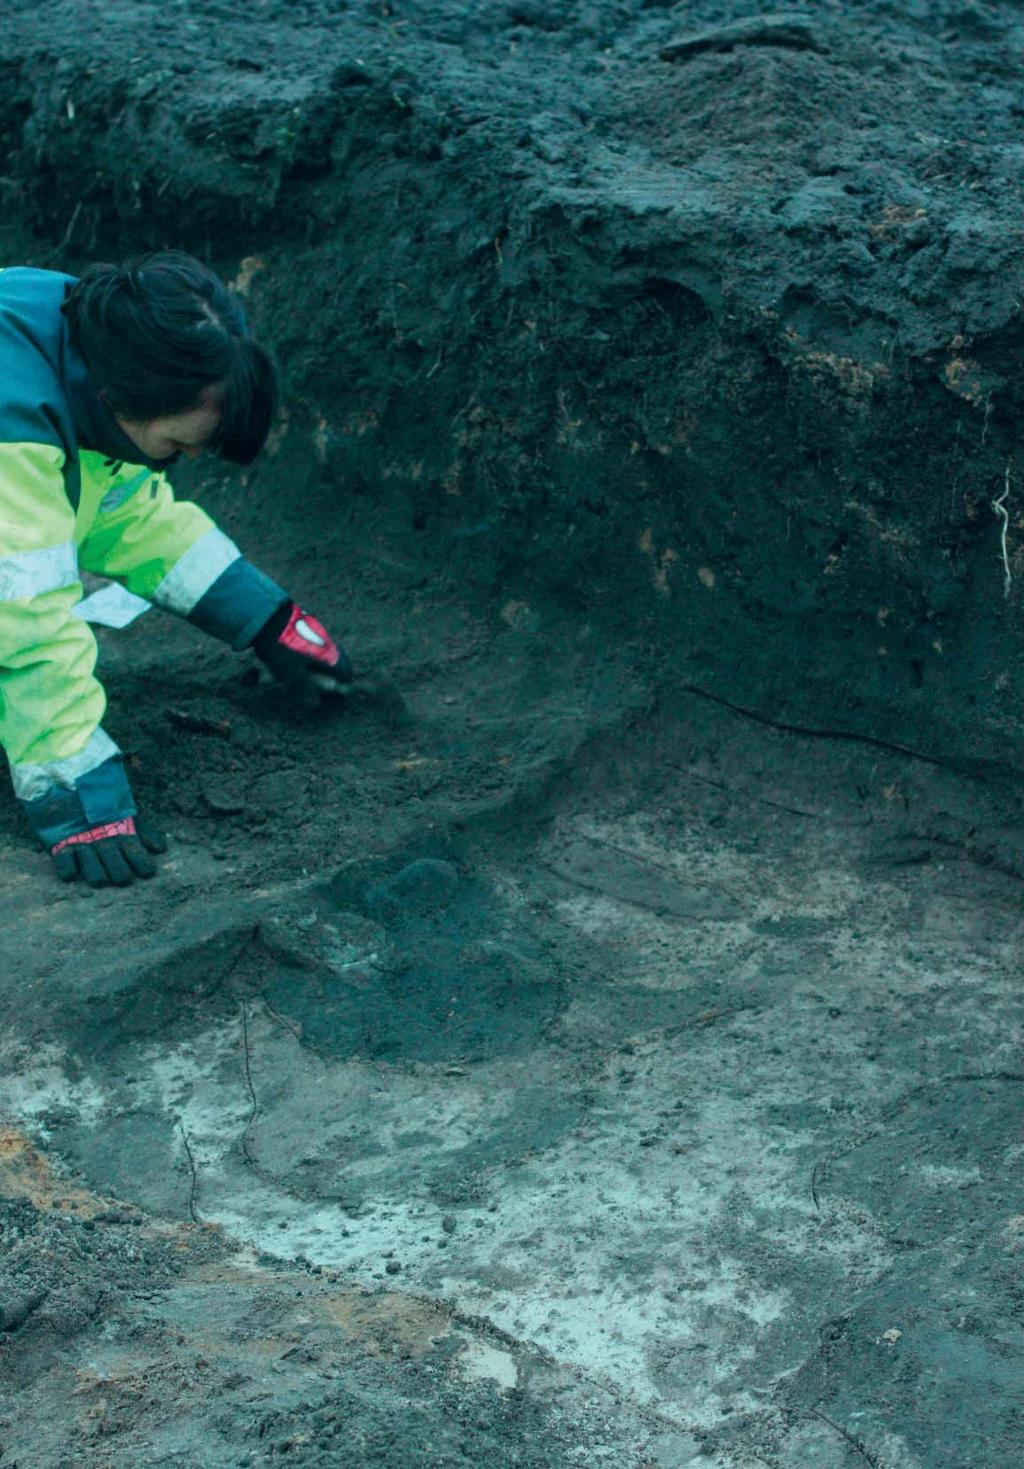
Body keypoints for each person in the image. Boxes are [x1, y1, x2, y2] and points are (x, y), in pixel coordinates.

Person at [0, 250, 352, 888]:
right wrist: (76, 788)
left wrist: (267, 618)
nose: (179, 462)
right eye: (175, 446)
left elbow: (123, 515)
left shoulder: (91, 338)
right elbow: (21, 616)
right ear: (120, 401)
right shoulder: (12, 428)